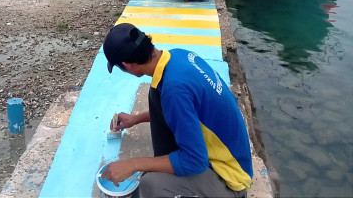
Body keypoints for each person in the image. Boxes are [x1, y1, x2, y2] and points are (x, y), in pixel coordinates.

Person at [101, 23, 253, 198]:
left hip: (230, 178)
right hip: (235, 155)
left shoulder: (175, 90)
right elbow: (182, 110)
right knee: (156, 93)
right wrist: (136, 119)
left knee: (151, 184)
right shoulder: (177, 56)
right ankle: (171, 167)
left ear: (127, 65)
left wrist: (134, 164)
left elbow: (195, 161)